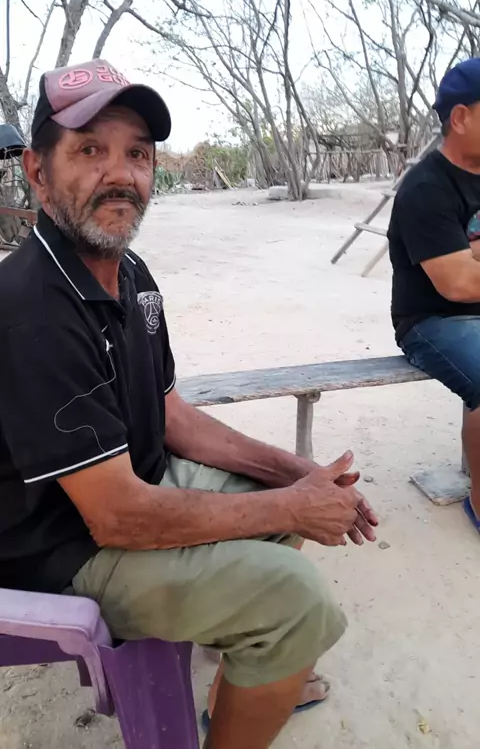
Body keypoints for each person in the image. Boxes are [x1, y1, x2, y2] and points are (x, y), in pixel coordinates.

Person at [0, 59, 378, 749]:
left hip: (135, 483)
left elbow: (169, 410)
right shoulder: (30, 310)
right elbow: (116, 515)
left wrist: (295, 473)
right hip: (62, 548)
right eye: (90, 150)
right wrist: (293, 506)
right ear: (37, 170)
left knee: (271, 507)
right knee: (297, 600)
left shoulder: (130, 273)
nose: (121, 174)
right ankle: (264, 660)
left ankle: (249, 668)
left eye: (138, 154)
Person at [388, 56, 480, 534]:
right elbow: (458, 284)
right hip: (431, 321)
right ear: (461, 118)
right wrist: (467, 257)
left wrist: (469, 254)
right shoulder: (426, 187)